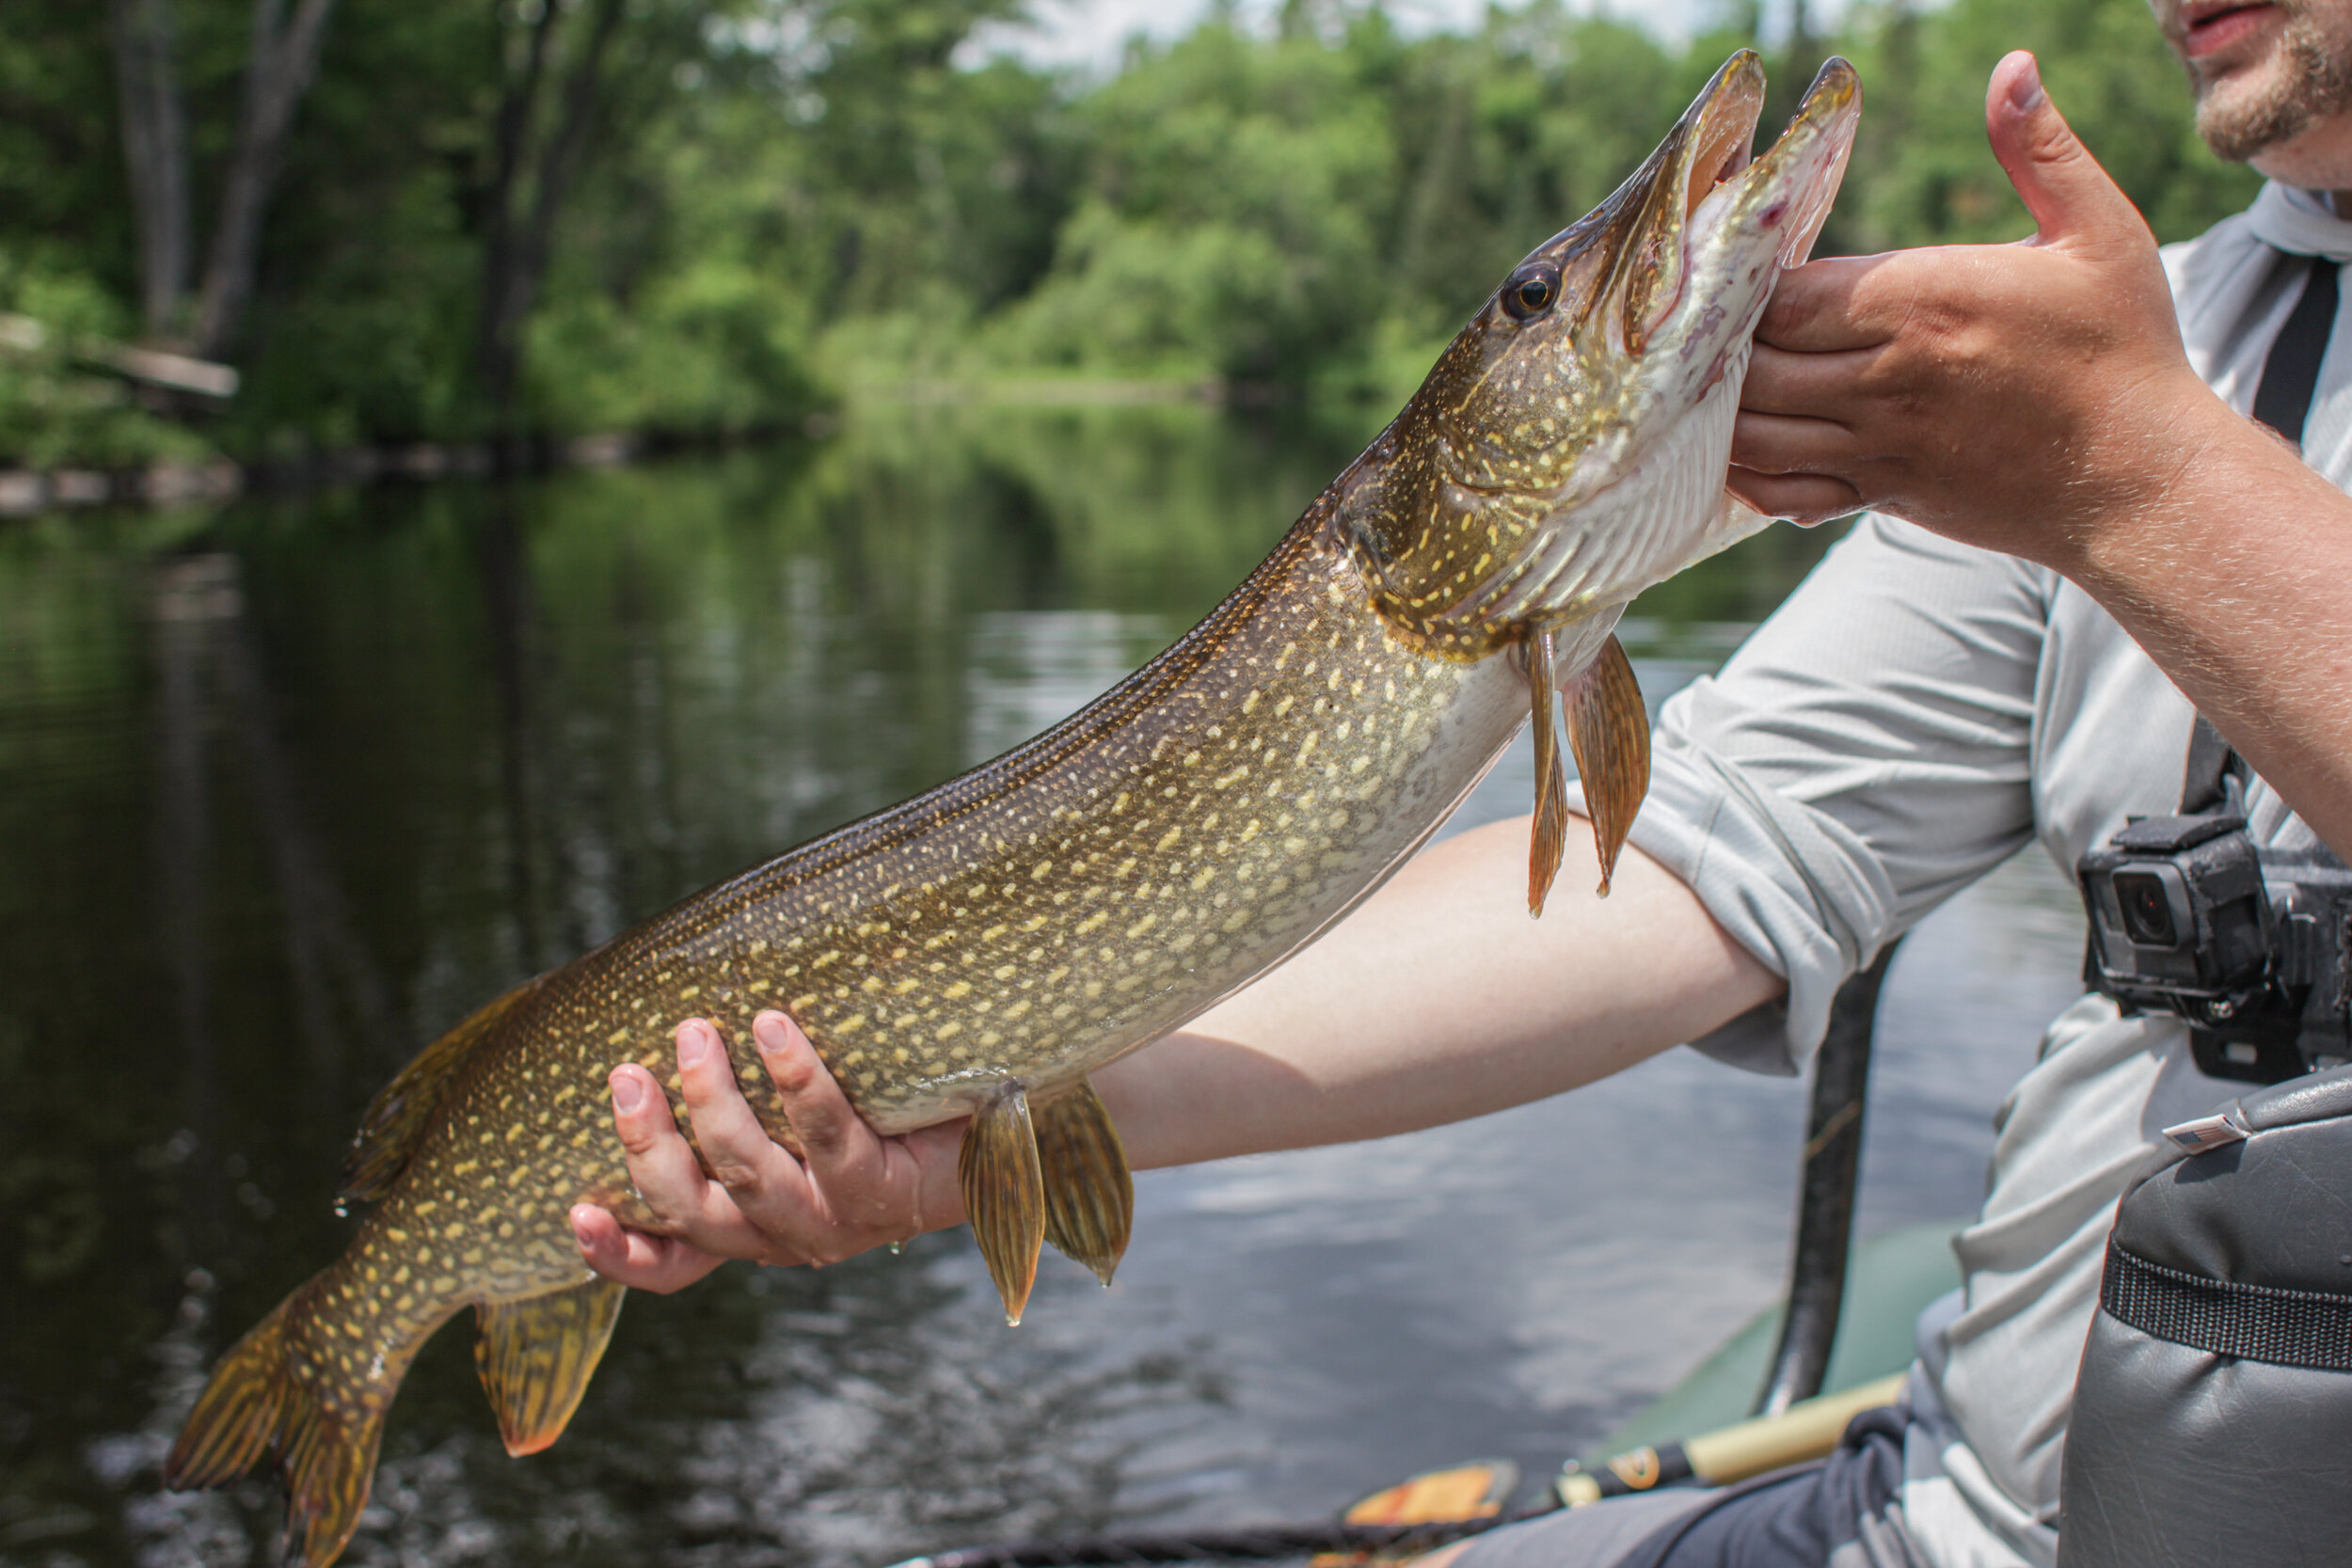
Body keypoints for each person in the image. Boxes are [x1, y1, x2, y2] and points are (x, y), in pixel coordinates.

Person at [568, 4, 2352, 1562]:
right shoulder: (2153, 339)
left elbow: (2120, 477)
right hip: (1972, 1508)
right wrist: (978, 1132)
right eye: (1526, 307)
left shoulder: (2107, 400)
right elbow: (1713, 868)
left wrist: (2144, 484)